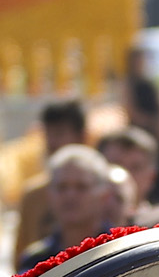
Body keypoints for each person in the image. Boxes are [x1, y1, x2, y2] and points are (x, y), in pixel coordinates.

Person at [19, 146, 116, 267]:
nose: (70, 196)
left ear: (104, 196)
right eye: (62, 187)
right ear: (49, 195)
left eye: (81, 187)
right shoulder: (37, 261)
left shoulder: (120, 251)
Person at [13, 100, 90, 253]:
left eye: (59, 134)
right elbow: (21, 257)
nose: (52, 142)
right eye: (48, 134)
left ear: (81, 137)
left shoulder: (103, 191)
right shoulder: (33, 196)